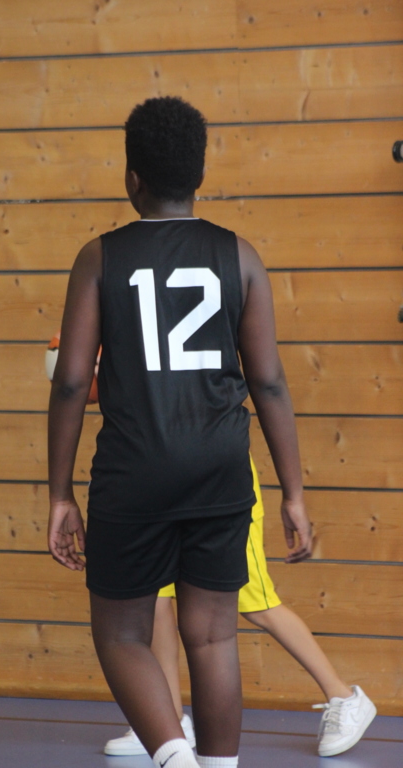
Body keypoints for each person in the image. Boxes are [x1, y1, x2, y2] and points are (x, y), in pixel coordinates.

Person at [47, 95, 313, 768]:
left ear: (131, 177)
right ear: (199, 174)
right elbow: (270, 383)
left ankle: (173, 758)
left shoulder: (99, 258)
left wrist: (59, 493)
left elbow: (72, 381)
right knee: (213, 637)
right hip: (219, 466)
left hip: (134, 468)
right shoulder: (239, 256)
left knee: (121, 634)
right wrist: (293, 493)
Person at [104, 458, 377, 759]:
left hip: (222, 487)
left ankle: (343, 696)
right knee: (156, 600)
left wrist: (293, 496)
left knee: (257, 604)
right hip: (163, 486)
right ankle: (173, 721)